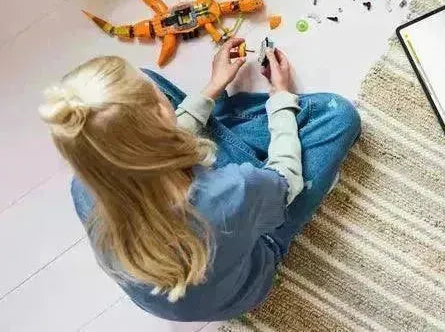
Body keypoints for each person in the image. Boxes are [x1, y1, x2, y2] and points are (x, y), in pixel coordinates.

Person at [39, 38, 360, 322]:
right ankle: (243, 126)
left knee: (132, 94)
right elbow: (286, 180)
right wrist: (280, 97)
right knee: (339, 115)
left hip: (184, 281)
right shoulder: (228, 193)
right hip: (246, 277)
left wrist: (214, 85)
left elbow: (145, 148)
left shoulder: (84, 187)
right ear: (162, 117)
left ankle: (227, 127)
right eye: (160, 105)